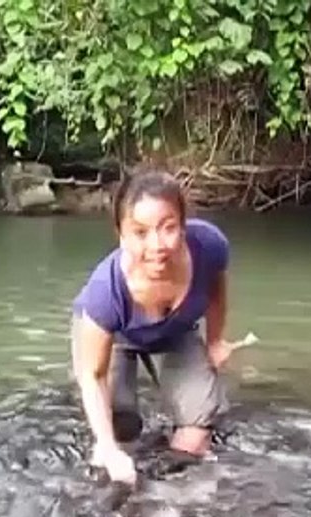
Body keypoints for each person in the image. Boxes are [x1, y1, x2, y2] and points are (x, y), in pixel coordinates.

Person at [70, 169, 237, 484]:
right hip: (116, 337)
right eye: (141, 232)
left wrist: (216, 341)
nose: (157, 245)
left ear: (184, 226)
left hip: (175, 332)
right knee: (122, 426)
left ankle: (165, 488)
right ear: (121, 234)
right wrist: (108, 448)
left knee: (199, 425)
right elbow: (94, 375)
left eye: (168, 228)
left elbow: (217, 289)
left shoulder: (209, 246)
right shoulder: (105, 291)